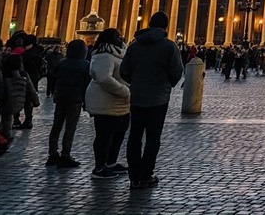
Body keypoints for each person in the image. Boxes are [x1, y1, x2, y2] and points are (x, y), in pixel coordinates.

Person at [119, 11, 184, 189]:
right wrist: (166, 85)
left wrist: (137, 83)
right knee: (153, 138)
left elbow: (124, 70)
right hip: (159, 98)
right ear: (165, 27)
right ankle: (146, 175)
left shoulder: (134, 45)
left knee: (134, 137)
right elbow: (177, 71)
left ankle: (134, 176)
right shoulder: (169, 46)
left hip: (137, 96)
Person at [85, 29, 130, 180]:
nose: (120, 38)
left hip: (120, 103)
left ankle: (111, 163)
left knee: (118, 134)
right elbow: (103, 79)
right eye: (117, 37)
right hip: (105, 102)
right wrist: (125, 91)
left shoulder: (118, 53)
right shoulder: (103, 55)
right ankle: (99, 167)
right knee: (104, 136)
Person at [46, 39, 90, 169]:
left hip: (61, 97)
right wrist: (86, 102)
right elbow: (86, 84)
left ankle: (52, 154)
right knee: (70, 128)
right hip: (75, 99)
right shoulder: (85, 64)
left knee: (56, 126)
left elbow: (53, 75)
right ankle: (65, 155)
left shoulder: (63, 63)